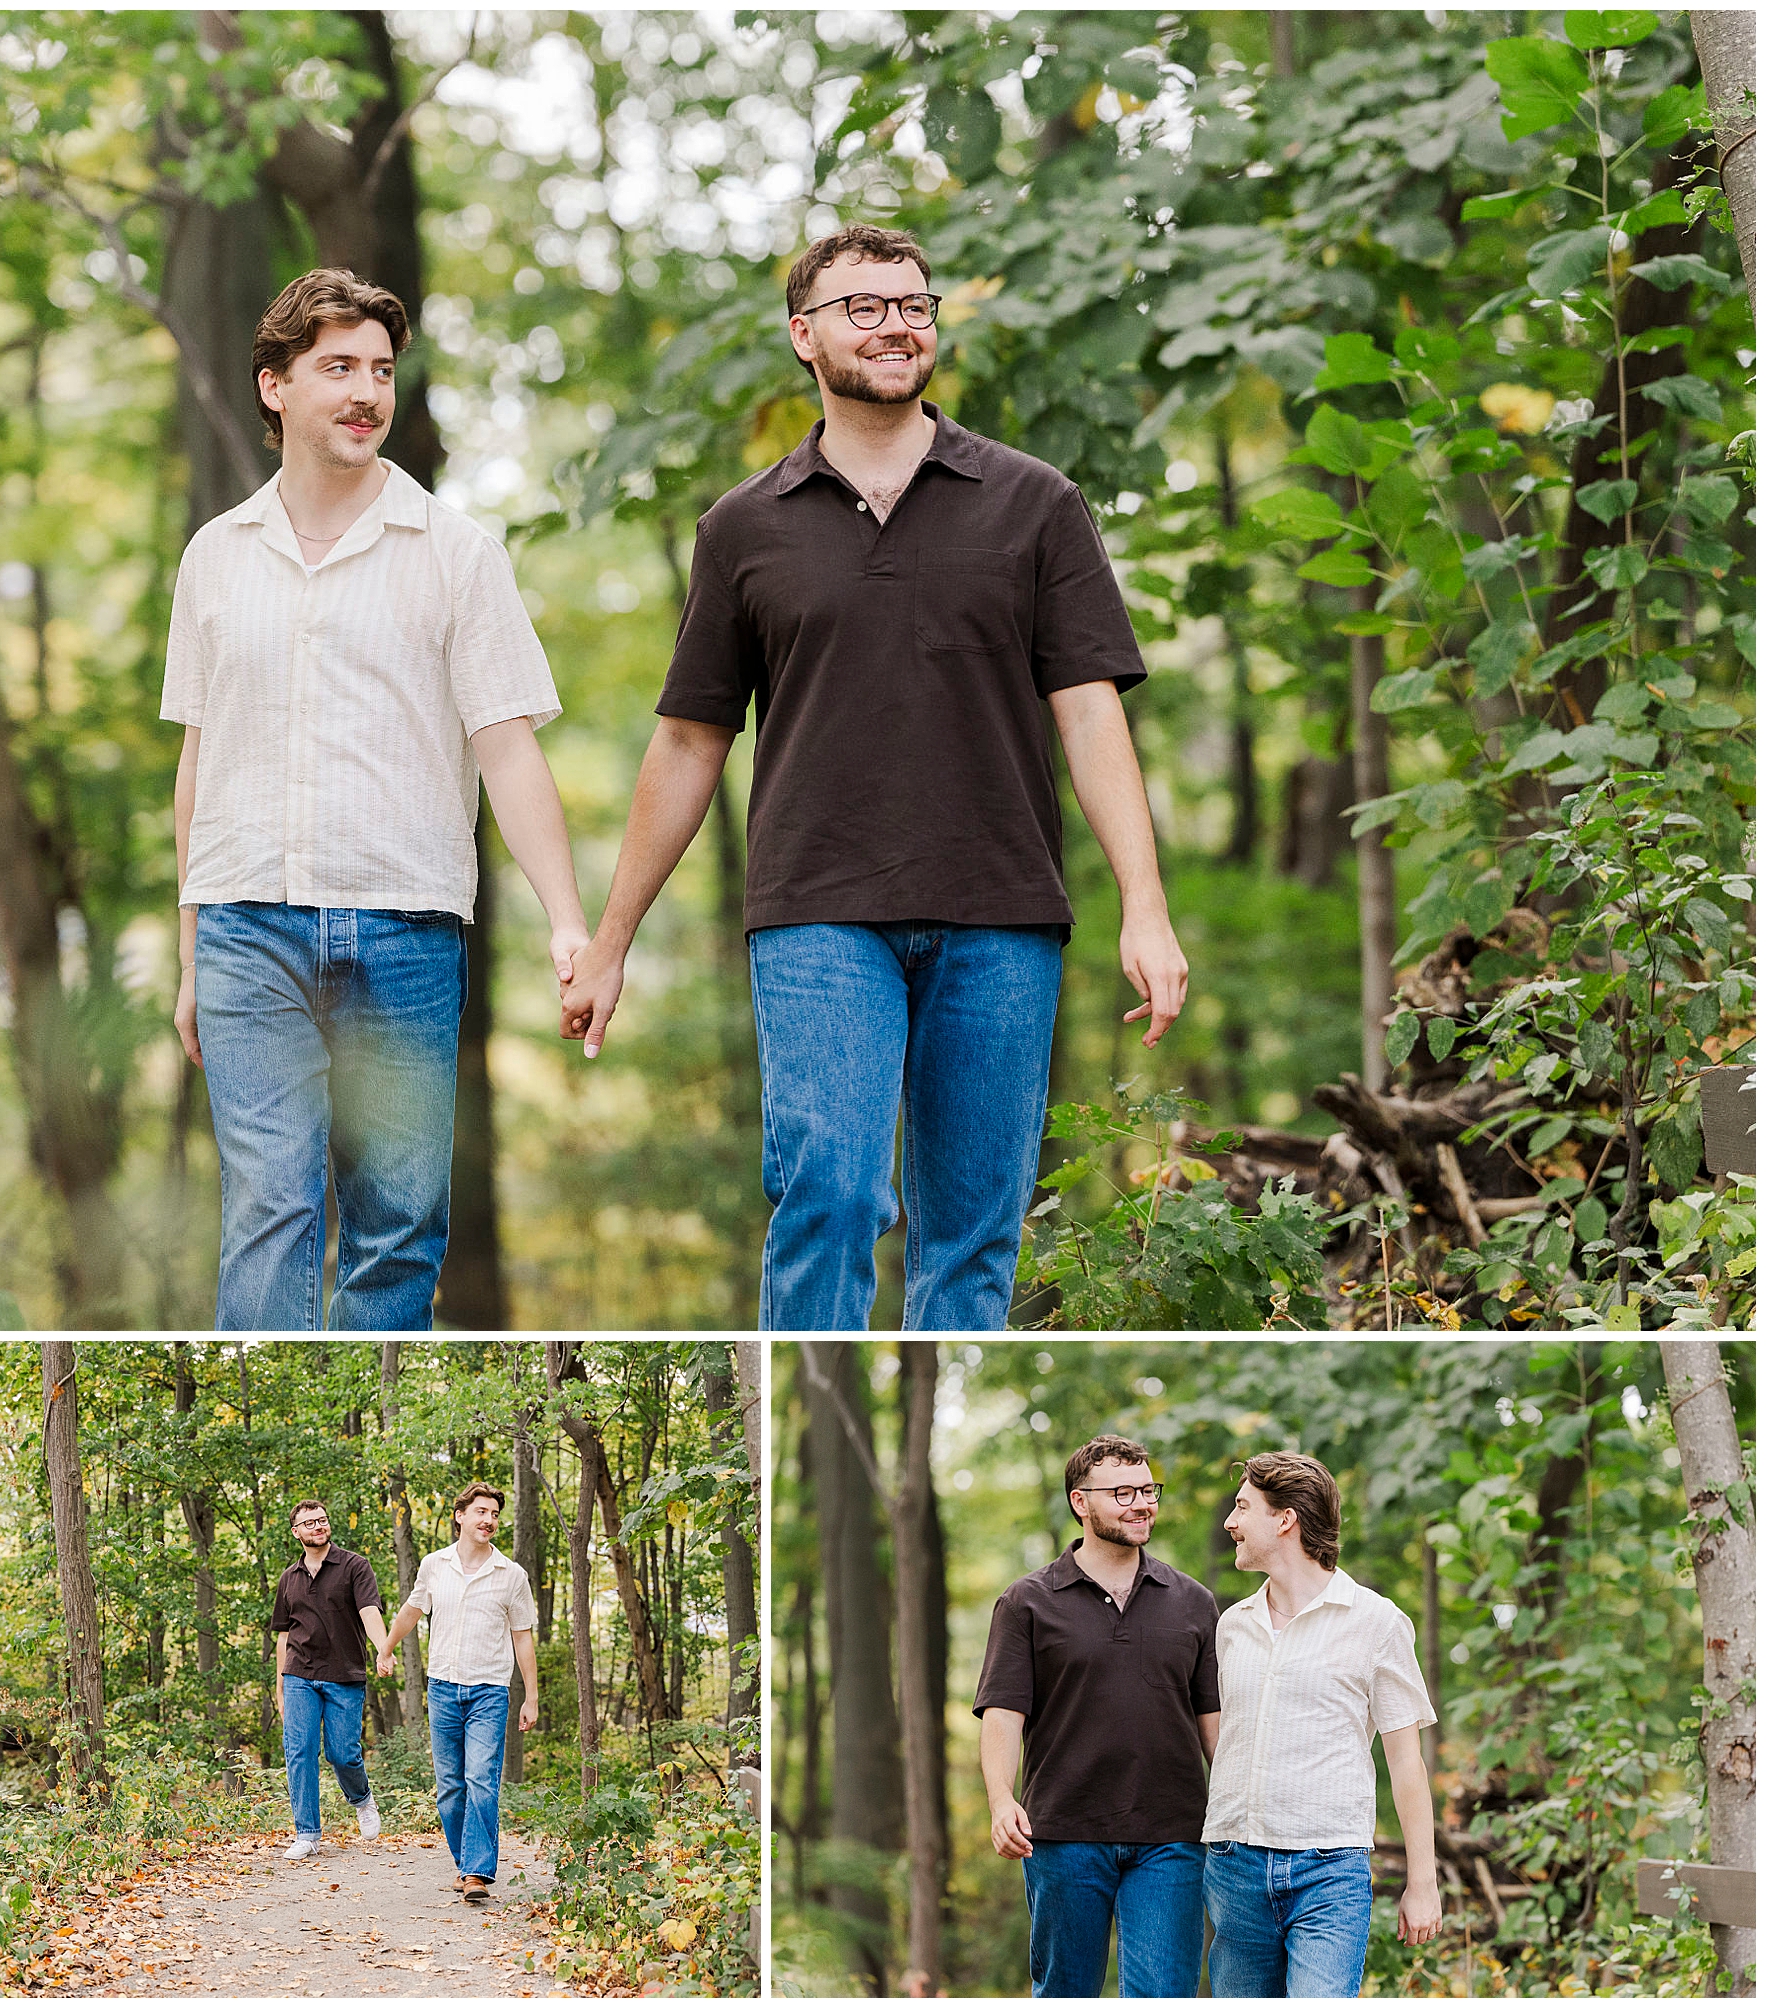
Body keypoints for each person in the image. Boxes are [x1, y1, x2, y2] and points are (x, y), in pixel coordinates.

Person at [558, 223, 1189, 1331]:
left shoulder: (1034, 502)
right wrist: (609, 941)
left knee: (973, 1233)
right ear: (802, 335)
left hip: (1000, 910)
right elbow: (688, 741)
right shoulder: (742, 527)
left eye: (914, 303)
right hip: (816, 913)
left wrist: (1145, 906)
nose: (897, 323)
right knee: (833, 1193)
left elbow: (1089, 714)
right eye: (863, 306)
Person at [162, 267, 587, 1330]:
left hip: (406, 930)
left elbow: (509, 749)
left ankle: (372, 1424)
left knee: (399, 1222)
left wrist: (568, 923)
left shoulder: (453, 553)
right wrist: (188, 953)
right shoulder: (216, 557)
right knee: (270, 1207)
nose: (365, 393)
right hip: (245, 926)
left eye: (381, 371)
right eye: (337, 368)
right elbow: (197, 763)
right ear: (274, 386)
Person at [975, 1434, 1221, 1998]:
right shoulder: (1027, 1602)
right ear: (1080, 1502)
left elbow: (1214, 1722)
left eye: (1148, 1490)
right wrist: (999, 1800)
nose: (1142, 1503)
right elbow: (1003, 1712)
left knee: (1166, 1993)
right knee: (1066, 1991)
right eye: (1123, 1492)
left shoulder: (1194, 1602)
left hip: (1173, 1837)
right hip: (1062, 1834)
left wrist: (1236, 1810)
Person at [1204, 1452, 1443, 1997]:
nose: (1230, 1522)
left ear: (1285, 1519)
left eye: (1243, 1507)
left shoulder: (1377, 1624)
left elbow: (1406, 1762)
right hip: (1232, 1865)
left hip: (1328, 1872)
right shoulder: (1232, 1626)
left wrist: (1422, 1881)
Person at [377, 1481, 539, 1902]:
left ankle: (476, 1873)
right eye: (481, 1512)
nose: (489, 1520)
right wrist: (387, 1648)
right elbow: (412, 1610)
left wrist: (531, 1696)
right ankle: (465, 1864)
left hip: (489, 1690)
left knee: (481, 1780)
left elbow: (522, 1637)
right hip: (444, 1688)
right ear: (460, 1516)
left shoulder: (512, 1575)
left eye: (495, 1515)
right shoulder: (434, 1565)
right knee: (450, 1788)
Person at [271, 1500, 387, 1860]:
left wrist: (384, 1648)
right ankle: (307, 1834)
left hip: (344, 1673)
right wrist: (279, 1686)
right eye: (309, 1523)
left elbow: (369, 1611)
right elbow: (283, 1634)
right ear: (297, 1533)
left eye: (322, 1520)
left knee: (342, 1753)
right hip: (299, 1673)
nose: (318, 1526)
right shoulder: (288, 1579)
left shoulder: (355, 1566)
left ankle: (362, 1799)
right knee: (300, 1750)